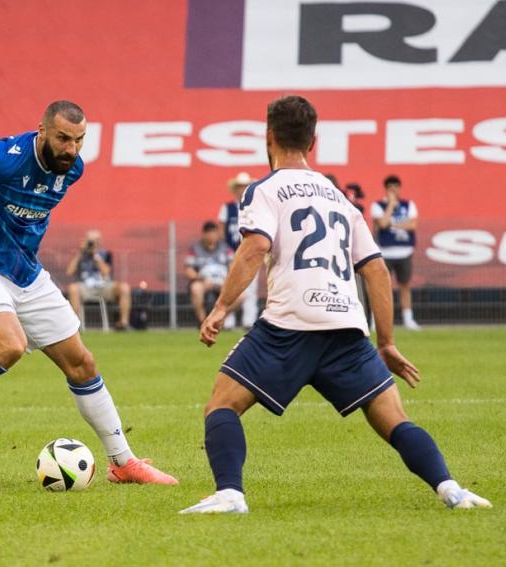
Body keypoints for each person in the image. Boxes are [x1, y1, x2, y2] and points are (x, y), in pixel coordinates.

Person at [180, 95, 490, 514]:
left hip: (289, 324)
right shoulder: (339, 197)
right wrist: (386, 342)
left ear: (268, 136)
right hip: (346, 325)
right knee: (394, 419)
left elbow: (254, 247)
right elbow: (376, 269)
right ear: (314, 141)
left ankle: (230, 495)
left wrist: (219, 309)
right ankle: (451, 488)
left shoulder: (264, 190)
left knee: (222, 404)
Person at [0, 100, 177, 485]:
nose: (70, 149)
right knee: (9, 346)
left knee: (82, 363)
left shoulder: (72, 170)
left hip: (25, 271)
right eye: (62, 138)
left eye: (78, 140)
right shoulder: (4, 158)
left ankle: (123, 462)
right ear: (41, 131)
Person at [371, 175, 420, 330]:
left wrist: (393, 224)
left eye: (396, 186)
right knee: (381, 287)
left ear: (400, 187)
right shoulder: (378, 205)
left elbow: (413, 225)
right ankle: (375, 320)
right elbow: (383, 223)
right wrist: (391, 205)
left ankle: (408, 319)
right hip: (385, 252)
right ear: (385, 189)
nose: (393, 189)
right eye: (390, 187)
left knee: (404, 285)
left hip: (404, 251)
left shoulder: (408, 204)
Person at [217, 172, 260, 328]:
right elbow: (221, 230)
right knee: (229, 286)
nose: (243, 190)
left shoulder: (255, 207)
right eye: (240, 187)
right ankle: (227, 321)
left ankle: (249, 320)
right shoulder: (227, 208)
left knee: (251, 287)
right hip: (232, 253)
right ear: (235, 189)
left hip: (251, 253)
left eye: (245, 186)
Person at [66, 229, 131, 330]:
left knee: (124, 287)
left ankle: (123, 323)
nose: (92, 243)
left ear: (100, 241)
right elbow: (69, 272)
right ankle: (75, 326)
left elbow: (106, 272)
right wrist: (80, 253)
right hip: (85, 287)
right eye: (90, 241)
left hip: (104, 286)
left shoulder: (106, 254)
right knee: (72, 288)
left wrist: (95, 255)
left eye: (95, 240)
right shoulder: (80, 255)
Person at [184, 220, 240, 327]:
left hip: (223, 281)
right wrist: (200, 278)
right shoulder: (195, 248)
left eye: (214, 232)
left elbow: (233, 267)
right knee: (196, 289)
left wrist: (227, 281)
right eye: (209, 233)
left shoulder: (226, 248)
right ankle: (203, 322)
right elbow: (188, 269)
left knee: (241, 296)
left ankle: (217, 321)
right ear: (204, 234)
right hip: (203, 281)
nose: (212, 236)